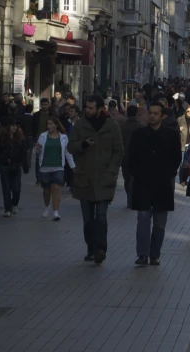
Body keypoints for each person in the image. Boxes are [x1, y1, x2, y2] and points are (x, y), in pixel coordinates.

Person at [68, 95, 123, 264]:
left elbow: (118, 151)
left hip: (104, 178)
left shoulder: (112, 126)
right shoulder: (81, 124)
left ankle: (100, 249)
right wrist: (82, 145)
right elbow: (71, 146)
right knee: (87, 218)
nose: (87, 110)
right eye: (86, 107)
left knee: (101, 216)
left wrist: (112, 172)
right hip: (84, 177)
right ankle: (90, 248)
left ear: (101, 108)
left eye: (91, 108)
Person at [129, 102, 183, 266]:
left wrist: (169, 173)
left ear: (162, 116)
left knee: (159, 223)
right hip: (143, 183)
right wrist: (137, 174)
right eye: (150, 113)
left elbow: (176, 158)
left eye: (155, 113)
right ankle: (143, 254)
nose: (152, 116)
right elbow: (131, 157)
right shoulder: (139, 135)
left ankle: (155, 254)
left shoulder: (171, 135)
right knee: (143, 220)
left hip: (162, 184)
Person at [35, 117, 74, 221]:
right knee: (46, 190)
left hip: (58, 167)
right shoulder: (43, 136)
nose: (49, 126)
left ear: (56, 125)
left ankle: (56, 212)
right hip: (45, 167)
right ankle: (47, 207)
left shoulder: (64, 137)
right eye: (48, 124)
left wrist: (73, 166)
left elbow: (67, 153)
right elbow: (37, 152)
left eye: (51, 124)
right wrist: (37, 149)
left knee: (56, 189)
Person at [0, 117, 28, 218]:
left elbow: (23, 153)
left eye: (16, 125)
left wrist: (24, 165)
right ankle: (7, 209)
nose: (15, 127)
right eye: (12, 125)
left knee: (16, 189)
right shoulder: (2, 138)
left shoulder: (20, 138)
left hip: (16, 165)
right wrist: (1, 161)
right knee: (6, 189)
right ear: (8, 127)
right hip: (4, 166)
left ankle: (14, 203)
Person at [120, 105, 143, 209]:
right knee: (135, 179)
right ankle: (133, 199)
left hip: (125, 158)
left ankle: (130, 199)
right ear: (136, 113)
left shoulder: (122, 127)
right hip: (138, 158)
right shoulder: (141, 127)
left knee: (127, 179)